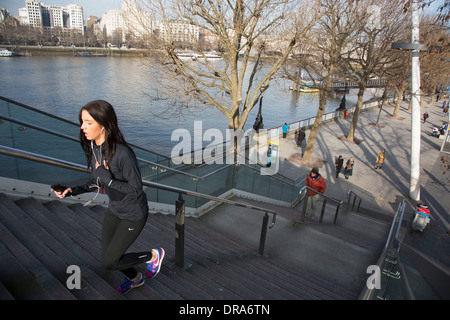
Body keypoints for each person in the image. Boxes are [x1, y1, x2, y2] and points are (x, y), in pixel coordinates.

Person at [51, 100, 164, 295]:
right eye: (82, 121)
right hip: (115, 209)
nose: (82, 127)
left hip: (133, 213)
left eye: (88, 122)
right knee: (111, 257)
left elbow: (136, 189)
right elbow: (97, 180)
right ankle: (135, 279)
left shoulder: (122, 154)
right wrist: (72, 190)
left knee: (109, 261)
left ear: (103, 125)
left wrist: (108, 180)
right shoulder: (94, 147)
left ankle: (153, 255)